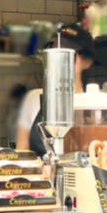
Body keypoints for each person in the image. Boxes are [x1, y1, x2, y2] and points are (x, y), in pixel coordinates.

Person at [15, 24, 95, 156]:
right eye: (53, 54)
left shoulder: (97, 105)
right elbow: (21, 156)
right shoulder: (33, 100)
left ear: (87, 61)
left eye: (66, 54)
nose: (58, 61)